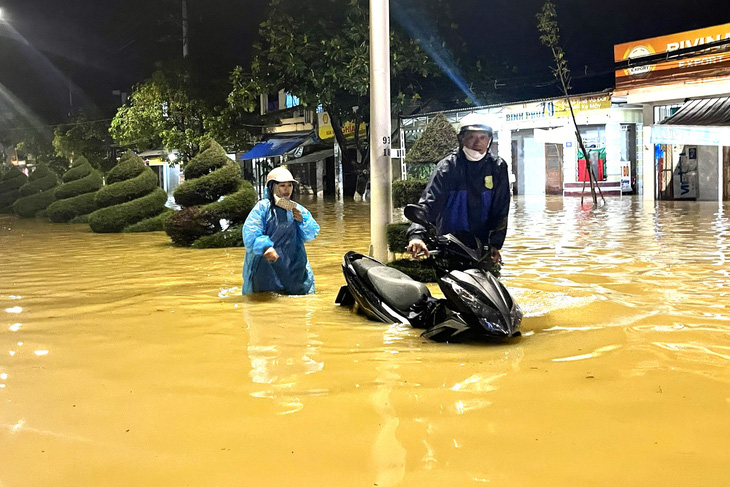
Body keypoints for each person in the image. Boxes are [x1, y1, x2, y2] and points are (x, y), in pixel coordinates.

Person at [406, 112, 511, 265]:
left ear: (489, 139)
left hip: (482, 249)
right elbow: (428, 204)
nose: (478, 143)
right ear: (461, 138)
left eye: (482, 137)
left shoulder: (497, 167)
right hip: (450, 247)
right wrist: (416, 235)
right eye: (471, 137)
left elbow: (501, 209)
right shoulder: (447, 168)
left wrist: (495, 244)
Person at [242, 167, 320, 295]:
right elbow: (251, 233)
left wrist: (302, 221)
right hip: (266, 265)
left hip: (294, 263)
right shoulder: (262, 208)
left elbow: (312, 233)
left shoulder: (295, 208)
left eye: (289, 185)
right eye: (282, 185)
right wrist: (265, 247)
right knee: (266, 302)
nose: (287, 189)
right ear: (272, 187)